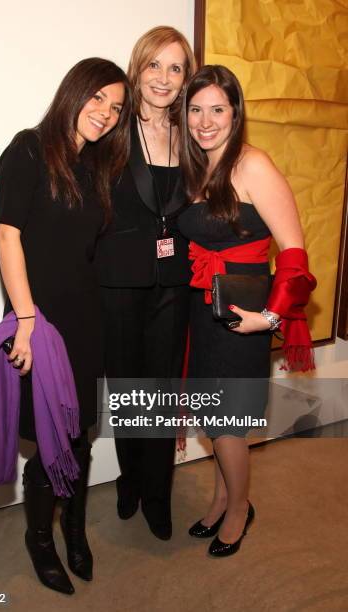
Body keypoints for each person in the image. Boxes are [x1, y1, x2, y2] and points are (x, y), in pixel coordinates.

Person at [0, 26, 197, 542]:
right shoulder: (114, 135)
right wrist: (3, 203)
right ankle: (128, 483)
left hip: (171, 283)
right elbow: (60, 181)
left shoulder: (193, 133)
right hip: (113, 283)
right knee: (121, 394)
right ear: (137, 69)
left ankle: (157, 494)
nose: (164, 78)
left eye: (176, 68)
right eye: (154, 66)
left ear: (186, 78)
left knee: (158, 395)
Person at [0, 57, 131, 594]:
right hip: (38, 320)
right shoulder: (28, 147)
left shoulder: (98, 167)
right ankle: (40, 540)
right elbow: (9, 237)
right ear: (74, 92)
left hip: (84, 319)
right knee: (49, 437)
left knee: (79, 434)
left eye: (116, 107)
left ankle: (74, 529)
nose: (105, 113)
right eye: (98, 98)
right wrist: (25, 320)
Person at [178, 65, 315, 557]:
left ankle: (240, 509)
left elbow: (295, 256)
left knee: (230, 423)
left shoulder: (252, 164)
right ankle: (221, 499)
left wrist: (271, 319)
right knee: (213, 420)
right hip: (203, 308)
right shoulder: (196, 167)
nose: (205, 120)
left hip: (244, 317)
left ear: (236, 112)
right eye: (196, 110)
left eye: (217, 108)